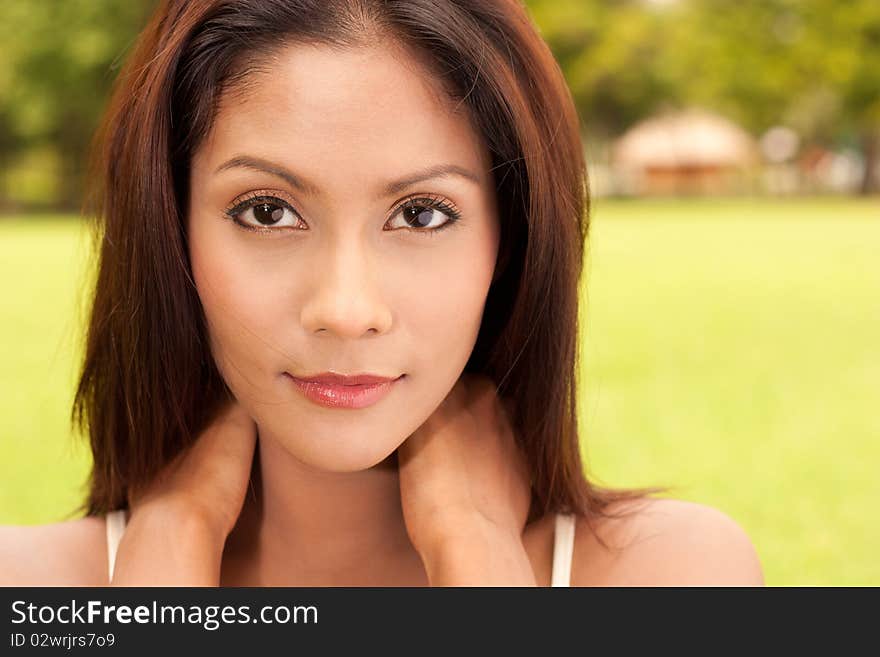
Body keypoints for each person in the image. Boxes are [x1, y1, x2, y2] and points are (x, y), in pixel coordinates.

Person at [0, 0, 763, 587]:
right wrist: (166, 563)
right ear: (169, 226)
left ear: (513, 238)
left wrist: (477, 553)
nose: (346, 308)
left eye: (421, 213)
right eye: (268, 211)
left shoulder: (670, 574)